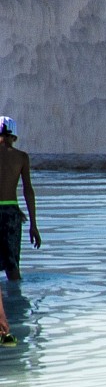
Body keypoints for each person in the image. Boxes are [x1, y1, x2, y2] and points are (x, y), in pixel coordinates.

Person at [0, 116, 36, 285]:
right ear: (13, 137)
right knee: (12, 269)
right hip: (11, 213)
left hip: (10, 210)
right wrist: (33, 225)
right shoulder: (21, 157)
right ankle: (16, 308)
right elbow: (28, 190)